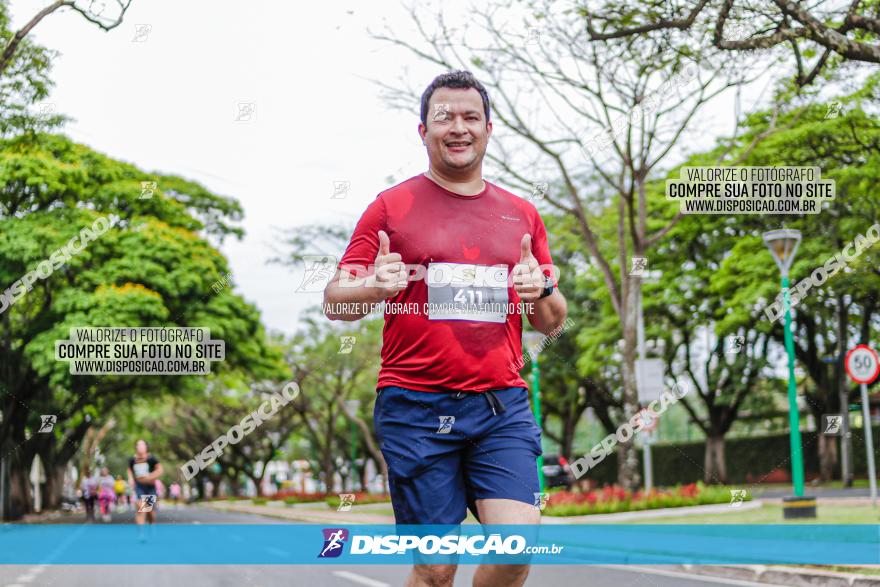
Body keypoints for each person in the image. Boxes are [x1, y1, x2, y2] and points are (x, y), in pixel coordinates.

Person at [323, 70, 567, 587]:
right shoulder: (390, 208)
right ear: (423, 130)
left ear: (488, 128)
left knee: (515, 550)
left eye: (470, 117)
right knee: (436, 569)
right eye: (445, 117)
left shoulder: (521, 215)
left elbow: (552, 321)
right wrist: (373, 288)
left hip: (499, 406)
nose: (458, 128)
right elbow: (334, 301)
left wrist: (540, 290)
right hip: (415, 409)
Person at [127, 439, 164, 533]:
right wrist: (131, 479)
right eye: (138, 445)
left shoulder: (151, 459)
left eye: (142, 445)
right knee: (141, 509)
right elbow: (129, 470)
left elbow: (160, 470)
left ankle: (152, 524)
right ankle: (141, 532)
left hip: (150, 487)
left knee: (150, 511)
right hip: (139, 487)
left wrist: (151, 477)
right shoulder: (133, 460)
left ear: (146, 447)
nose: (140, 447)